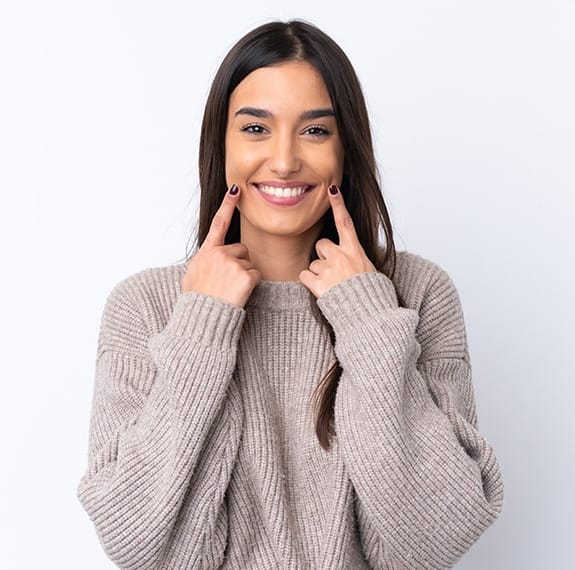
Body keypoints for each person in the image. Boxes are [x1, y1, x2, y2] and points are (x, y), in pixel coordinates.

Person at [76, 19, 504, 569]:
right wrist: (202, 326)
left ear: (347, 147)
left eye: (315, 131)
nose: (282, 161)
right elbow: (135, 543)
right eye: (255, 129)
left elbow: (433, 541)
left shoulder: (416, 294)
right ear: (221, 144)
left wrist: (368, 322)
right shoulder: (148, 305)